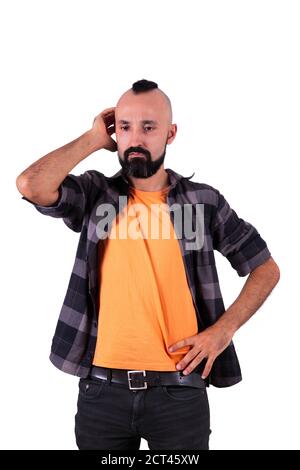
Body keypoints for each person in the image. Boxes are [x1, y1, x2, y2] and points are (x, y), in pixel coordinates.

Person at [16, 79, 280, 450]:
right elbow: (31, 184)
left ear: (170, 134)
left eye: (148, 127)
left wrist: (223, 331)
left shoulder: (203, 202)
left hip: (179, 392)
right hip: (101, 393)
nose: (135, 138)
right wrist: (93, 139)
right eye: (124, 127)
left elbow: (266, 269)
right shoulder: (97, 194)